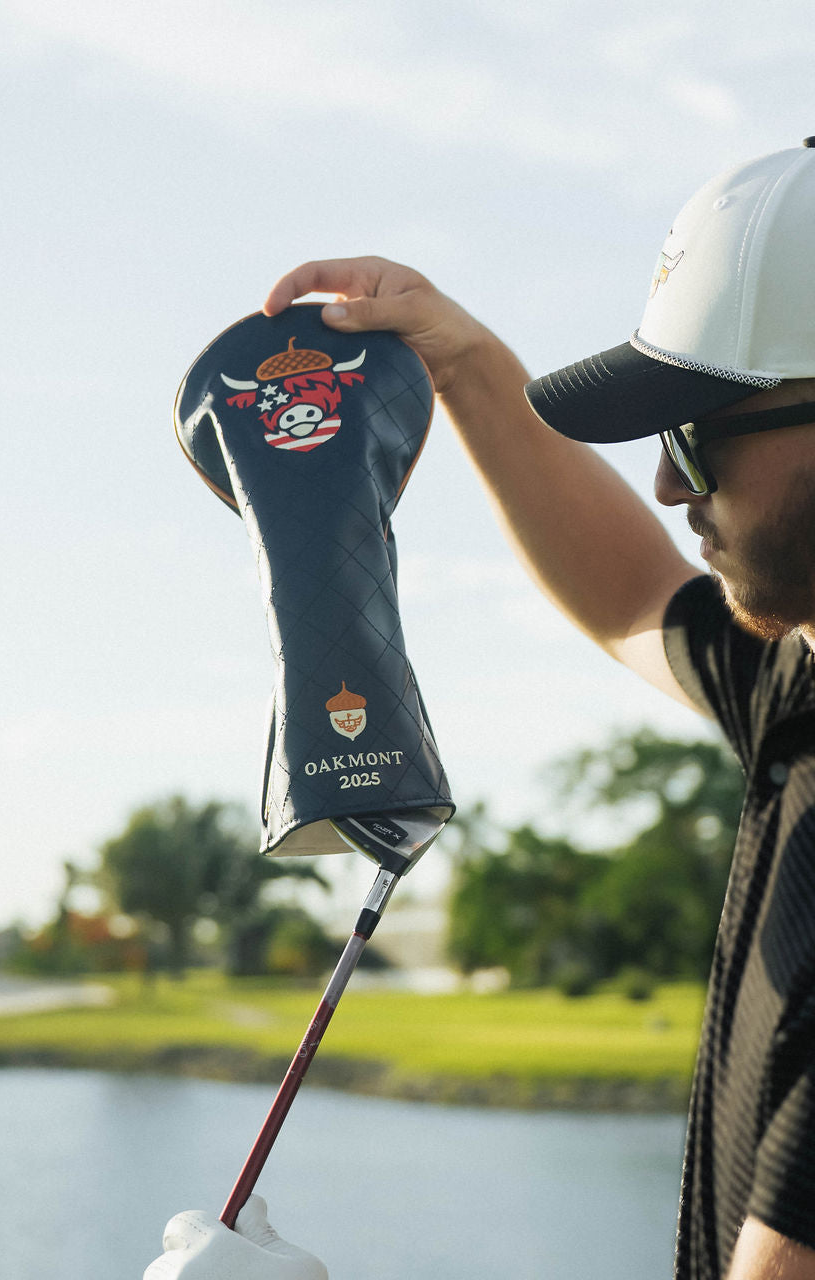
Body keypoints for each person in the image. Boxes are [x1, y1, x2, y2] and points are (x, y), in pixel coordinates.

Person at [146, 139, 815, 1280]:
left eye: (696, 433)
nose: (667, 484)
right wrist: (456, 359)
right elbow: (635, 594)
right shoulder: (796, 682)